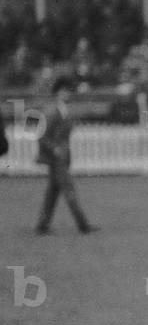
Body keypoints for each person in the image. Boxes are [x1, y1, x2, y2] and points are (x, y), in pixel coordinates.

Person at [35, 77, 98, 235]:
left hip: (61, 157)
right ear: (57, 93)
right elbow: (42, 135)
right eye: (64, 91)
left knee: (52, 193)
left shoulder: (64, 110)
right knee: (69, 191)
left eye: (68, 91)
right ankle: (83, 224)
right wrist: (55, 149)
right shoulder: (52, 111)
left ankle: (42, 225)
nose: (67, 94)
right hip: (57, 159)